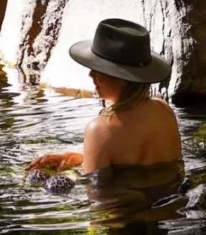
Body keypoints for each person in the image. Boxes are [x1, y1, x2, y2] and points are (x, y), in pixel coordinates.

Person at [26, 18, 183, 177]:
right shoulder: (164, 111)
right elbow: (135, 165)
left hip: (123, 202)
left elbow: (97, 191)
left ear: (121, 77)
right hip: (173, 200)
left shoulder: (100, 129)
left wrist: (63, 176)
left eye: (99, 69)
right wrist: (71, 157)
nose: (91, 74)